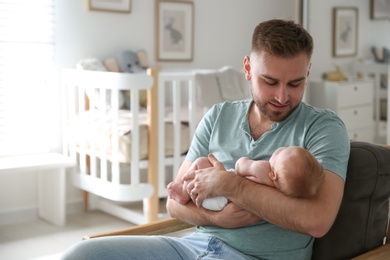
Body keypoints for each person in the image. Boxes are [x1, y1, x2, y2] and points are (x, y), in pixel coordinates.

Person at [61, 19, 350, 260]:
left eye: (295, 83)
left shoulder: (323, 128)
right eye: (270, 82)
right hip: (192, 247)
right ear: (248, 69)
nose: (281, 96)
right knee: (81, 254)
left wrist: (228, 184)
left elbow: (318, 220)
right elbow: (174, 204)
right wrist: (217, 219)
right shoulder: (218, 116)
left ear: (307, 73)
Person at [168, 146, 325, 211]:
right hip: (224, 202)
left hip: (219, 197)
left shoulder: (263, 169)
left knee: (202, 162)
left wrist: (246, 162)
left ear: (273, 175)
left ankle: (184, 191)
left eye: (280, 153)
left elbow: (239, 166)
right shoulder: (281, 190)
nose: (280, 149)